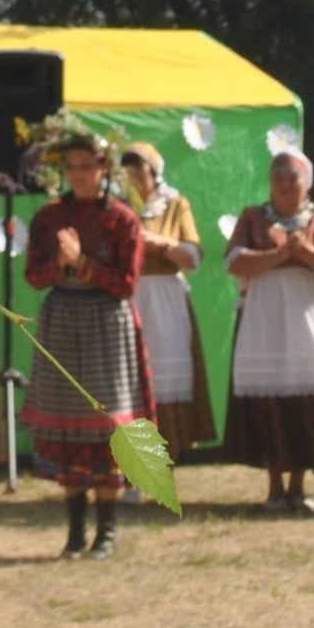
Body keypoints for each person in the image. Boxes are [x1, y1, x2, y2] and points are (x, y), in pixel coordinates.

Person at [23, 135, 151, 560]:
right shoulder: (48, 218)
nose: (78, 173)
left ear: (104, 169)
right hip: (63, 320)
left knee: (107, 422)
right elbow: (34, 278)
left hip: (106, 324)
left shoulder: (123, 220)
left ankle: (107, 531)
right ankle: (76, 532)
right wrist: (60, 265)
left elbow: (127, 284)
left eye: (87, 165)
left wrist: (82, 263)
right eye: (72, 165)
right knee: (68, 422)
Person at [221, 151, 314, 511]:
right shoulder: (253, 217)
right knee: (269, 397)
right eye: (278, 175)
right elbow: (233, 261)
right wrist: (280, 257)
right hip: (265, 318)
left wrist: (306, 252)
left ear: (306, 181)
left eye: (292, 176)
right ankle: (274, 485)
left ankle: (298, 484)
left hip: (308, 316)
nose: (284, 182)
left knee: (305, 396)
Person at [120, 143, 215, 459]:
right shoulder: (120, 208)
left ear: (154, 170)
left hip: (165, 298)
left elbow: (192, 257)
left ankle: (166, 454)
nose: (134, 175)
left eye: (140, 167)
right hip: (130, 294)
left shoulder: (175, 205)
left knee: (162, 374)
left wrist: (159, 242)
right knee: (127, 376)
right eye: (129, 168)